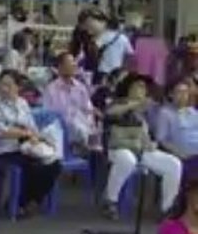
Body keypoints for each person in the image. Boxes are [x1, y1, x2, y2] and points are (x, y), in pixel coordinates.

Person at [102, 73, 182, 219]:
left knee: (174, 164)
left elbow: (149, 133)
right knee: (128, 160)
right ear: (129, 88)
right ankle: (110, 200)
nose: (142, 90)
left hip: (140, 149)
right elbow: (109, 113)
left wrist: (151, 143)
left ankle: (167, 209)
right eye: (138, 86)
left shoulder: (146, 110)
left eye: (144, 87)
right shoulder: (118, 102)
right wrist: (134, 104)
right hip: (118, 147)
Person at [0, 69, 62, 218]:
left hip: (25, 146)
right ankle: (20, 203)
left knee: (54, 165)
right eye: (2, 84)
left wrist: (35, 137)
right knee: (31, 166)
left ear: (17, 87)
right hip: (3, 149)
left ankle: (30, 201)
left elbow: (32, 127)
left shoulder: (22, 103)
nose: (4, 89)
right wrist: (24, 133)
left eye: (9, 85)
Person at [43, 51, 98, 148]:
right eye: (70, 63)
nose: (74, 65)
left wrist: (91, 129)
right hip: (60, 134)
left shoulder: (81, 88)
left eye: (74, 62)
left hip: (82, 134)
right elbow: (48, 115)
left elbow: (88, 111)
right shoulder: (51, 89)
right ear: (60, 67)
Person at [156, 77, 198, 180]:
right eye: (179, 92)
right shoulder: (165, 113)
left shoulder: (193, 112)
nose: (183, 96)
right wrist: (177, 152)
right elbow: (161, 140)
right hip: (184, 156)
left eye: (186, 92)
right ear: (171, 94)